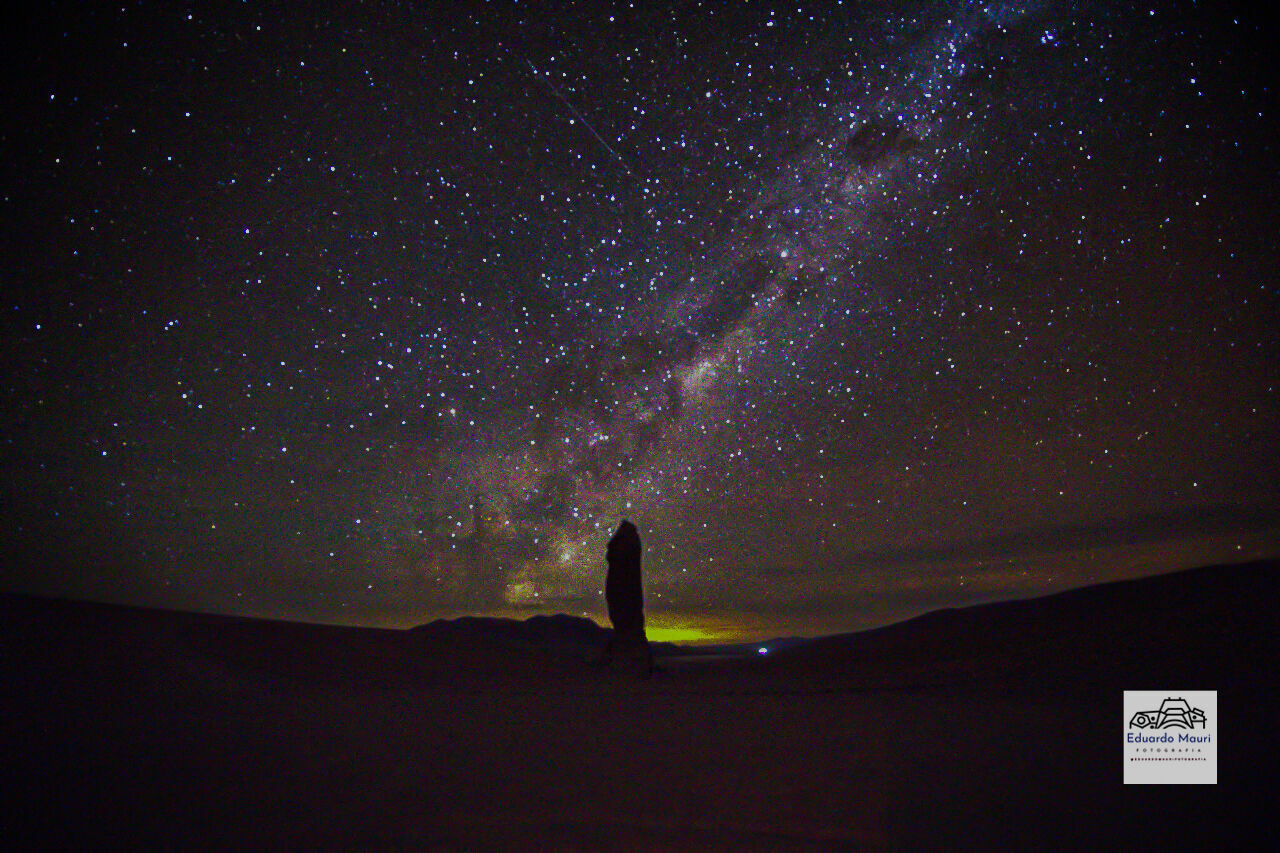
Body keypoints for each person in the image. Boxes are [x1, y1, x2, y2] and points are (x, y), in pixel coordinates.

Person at [603, 519, 651, 675]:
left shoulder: (624, 544)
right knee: (626, 623)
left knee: (627, 623)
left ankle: (629, 662)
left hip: (625, 593)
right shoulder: (627, 543)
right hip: (624, 593)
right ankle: (630, 662)